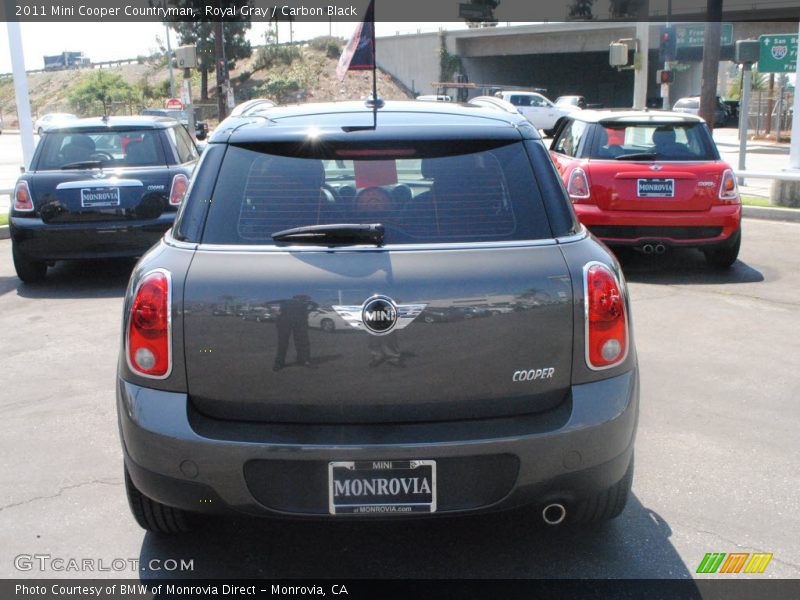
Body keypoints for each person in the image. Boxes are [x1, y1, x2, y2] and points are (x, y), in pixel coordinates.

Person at [272, 295, 318, 371]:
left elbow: (315, 305)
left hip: (300, 323)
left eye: (305, 299)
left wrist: (308, 311)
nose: (305, 300)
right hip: (285, 322)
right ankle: (279, 363)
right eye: (304, 299)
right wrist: (276, 312)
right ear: (297, 298)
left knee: (303, 342)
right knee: (283, 342)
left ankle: (304, 360)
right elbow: (268, 304)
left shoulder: (305, 303)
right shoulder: (286, 302)